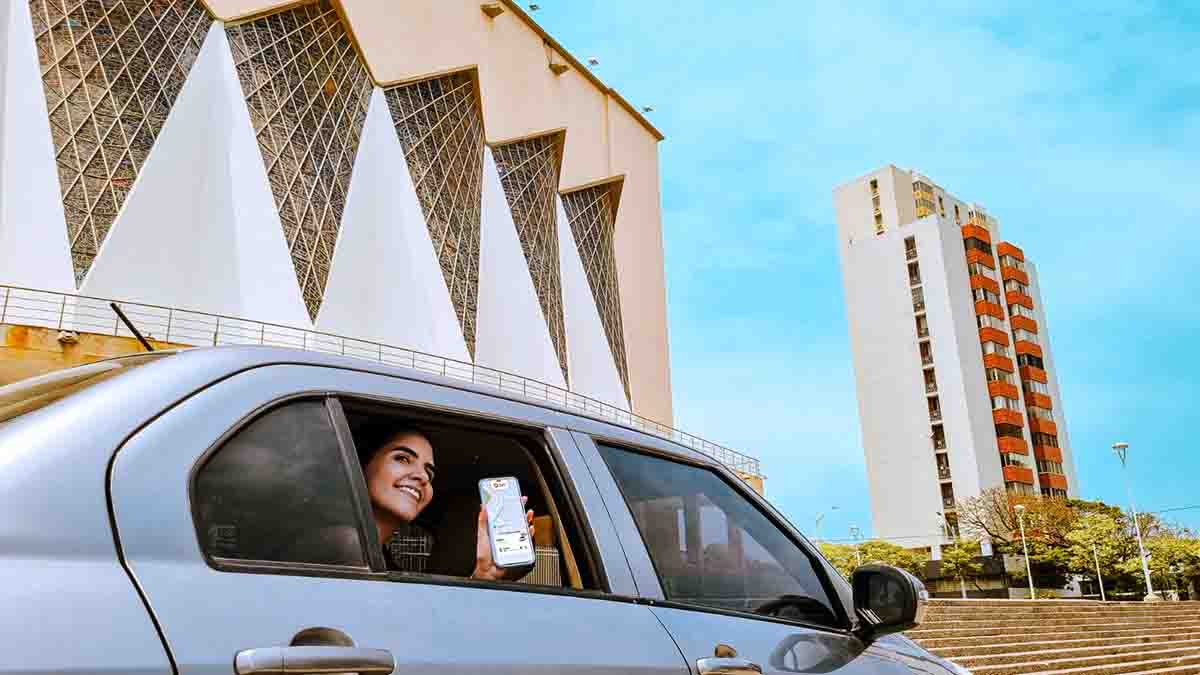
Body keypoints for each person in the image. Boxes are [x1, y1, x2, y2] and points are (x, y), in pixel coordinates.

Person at [360, 425, 534, 581]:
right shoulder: (350, 549)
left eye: (429, 473)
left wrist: (483, 576)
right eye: (403, 458)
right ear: (362, 463)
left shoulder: (377, 561)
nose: (423, 477)